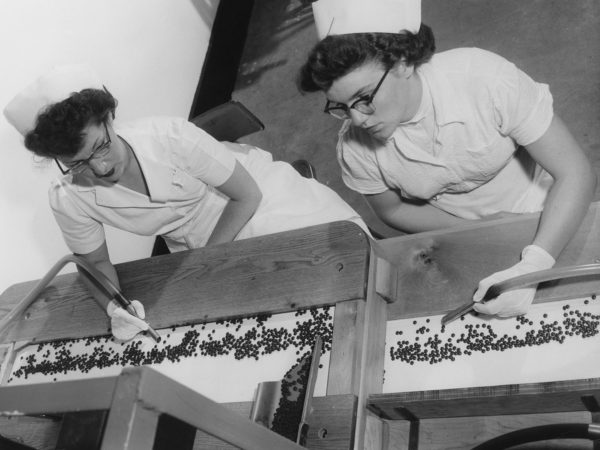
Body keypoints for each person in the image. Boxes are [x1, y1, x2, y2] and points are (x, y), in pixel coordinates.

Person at [4, 64, 368, 340]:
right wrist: (114, 306)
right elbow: (96, 263)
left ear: (110, 118)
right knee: (262, 321)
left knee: (330, 266)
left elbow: (247, 195)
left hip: (250, 200)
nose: (100, 168)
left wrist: (204, 267)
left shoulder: (169, 137)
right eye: (78, 163)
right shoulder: (66, 197)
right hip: (193, 245)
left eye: (101, 146)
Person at [298, 0, 596, 318]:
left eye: (364, 98)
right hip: (459, 233)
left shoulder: (483, 79)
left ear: (402, 62)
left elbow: (576, 173)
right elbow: (392, 209)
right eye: (340, 107)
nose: (357, 120)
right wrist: (476, 231)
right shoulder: (354, 149)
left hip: (549, 207)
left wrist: (535, 262)